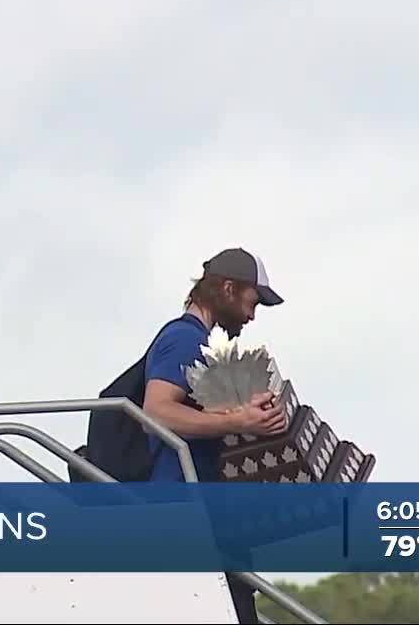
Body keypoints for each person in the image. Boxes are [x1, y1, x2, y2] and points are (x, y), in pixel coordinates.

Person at [140, 247, 288, 624]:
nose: (253, 315)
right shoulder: (184, 338)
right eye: (252, 303)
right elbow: (157, 410)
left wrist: (244, 412)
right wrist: (241, 422)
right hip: (181, 508)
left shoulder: (197, 342)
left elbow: (197, 414)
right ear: (228, 289)